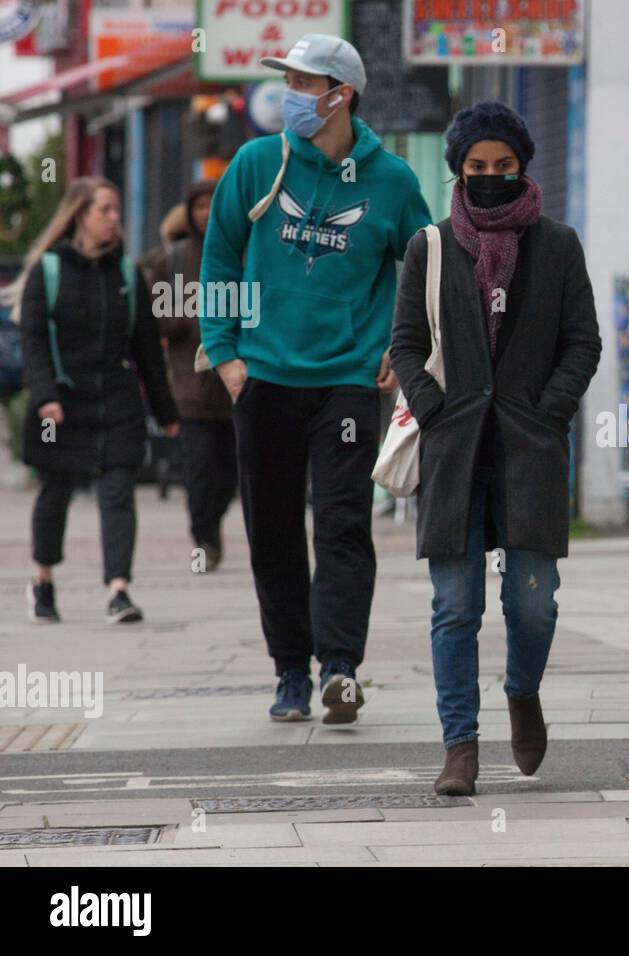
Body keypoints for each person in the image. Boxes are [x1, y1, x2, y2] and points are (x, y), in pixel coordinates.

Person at [199, 34, 432, 723]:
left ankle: (340, 668)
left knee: (340, 524)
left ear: (342, 95)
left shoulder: (391, 180)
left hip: (348, 383)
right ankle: (289, 672)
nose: (292, 95)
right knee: (272, 531)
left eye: (305, 83)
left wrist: (403, 340)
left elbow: (424, 265)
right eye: (290, 82)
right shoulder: (253, 163)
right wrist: (226, 354)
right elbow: (219, 262)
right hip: (263, 378)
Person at [389, 101, 601, 796]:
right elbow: (406, 345)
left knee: (533, 603)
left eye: (502, 167)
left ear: (522, 167)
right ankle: (460, 746)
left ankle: (521, 690)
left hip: (530, 449)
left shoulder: (559, 245)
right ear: (458, 170)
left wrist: (550, 410)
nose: (489, 177)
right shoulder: (429, 247)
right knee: (455, 607)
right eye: (476, 168)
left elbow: (583, 342)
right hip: (454, 455)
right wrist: (432, 406)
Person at [0, 177, 179, 623]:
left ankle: (118, 589)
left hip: (116, 402)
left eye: (117, 209)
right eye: (106, 210)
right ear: (80, 215)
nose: (115, 218)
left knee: (118, 493)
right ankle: (43, 580)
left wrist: (165, 411)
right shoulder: (49, 270)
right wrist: (44, 398)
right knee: (55, 494)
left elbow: (146, 350)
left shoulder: (126, 273)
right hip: (61, 403)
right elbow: (34, 339)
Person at [151, 180, 235, 569]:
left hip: (234, 387)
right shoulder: (175, 259)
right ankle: (203, 537)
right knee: (199, 472)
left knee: (229, 473)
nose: (205, 212)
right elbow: (155, 323)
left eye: (211, 205)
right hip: (190, 389)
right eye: (198, 206)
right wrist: (183, 317)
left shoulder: (240, 254)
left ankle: (213, 523)